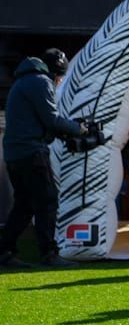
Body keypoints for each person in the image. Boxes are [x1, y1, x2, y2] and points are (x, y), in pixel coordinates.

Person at [0, 49, 86, 267]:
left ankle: (4, 251)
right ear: (56, 71)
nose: (59, 82)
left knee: (25, 204)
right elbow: (52, 120)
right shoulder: (41, 82)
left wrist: (65, 130)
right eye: (60, 77)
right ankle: (49, 253)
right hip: (31, 152)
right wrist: (79, 129)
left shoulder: (24, 81)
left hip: (14, 153)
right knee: (47, 199)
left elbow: (41, 122)